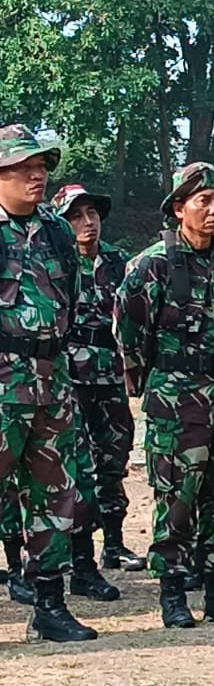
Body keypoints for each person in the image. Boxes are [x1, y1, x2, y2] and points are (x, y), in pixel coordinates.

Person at [117, 163, 214, 628]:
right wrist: (154, 383)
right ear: (179, 207)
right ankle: (173, 592)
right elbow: (128, 334)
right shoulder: (153, 264)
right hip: (176, 395)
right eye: (203, 201)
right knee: (177, 494)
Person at [0, 126, 99, 641]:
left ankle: (49, 605)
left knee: (54, 493)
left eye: (41, 166)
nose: (36, 175)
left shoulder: (59, 232)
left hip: (50, 381)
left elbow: (73, 301)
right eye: (22, 168)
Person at [52, 184, 143, 580]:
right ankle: (78, 550)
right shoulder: (55, 261)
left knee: (114, 458)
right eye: (76, 216)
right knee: (77, 466)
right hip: (69, 378)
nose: (87, 223)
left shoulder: (119, 263)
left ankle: (114, 543)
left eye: (92, 215)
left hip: (111, 377)